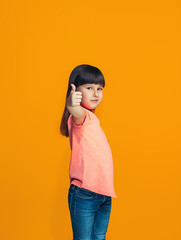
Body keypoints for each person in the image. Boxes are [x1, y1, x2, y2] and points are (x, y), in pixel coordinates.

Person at [60, 64, 117, 240]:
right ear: (76, 90)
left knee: (99, 236)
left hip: (104, 195)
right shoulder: (80, 116)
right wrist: (72, 105)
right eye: (89, 88)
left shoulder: (92, 119)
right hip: (85, 193)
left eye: (99, 88)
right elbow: (75, 111)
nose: (96, 93)